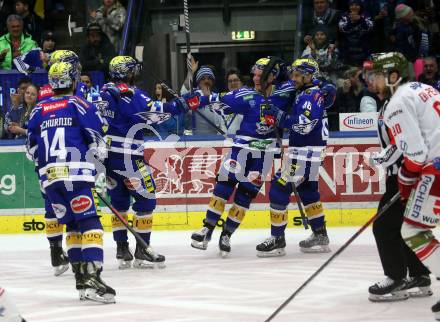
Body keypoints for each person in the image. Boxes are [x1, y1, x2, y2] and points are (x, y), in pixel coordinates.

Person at [26, 61, 115, 303]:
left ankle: (80, 279)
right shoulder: (79, 104)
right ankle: (94, 276)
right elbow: (97, 140)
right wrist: (96, 167)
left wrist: (47, 170)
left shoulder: (38, 109)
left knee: (73, 226)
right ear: (73, 80)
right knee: (90, 223)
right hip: (75, 175)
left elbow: (30, 149)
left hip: (50, 179)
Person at [190, 57, 296, 257]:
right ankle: (207, 229)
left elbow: (305, 79)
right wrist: (192, 98)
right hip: (240, 151)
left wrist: (323, 88)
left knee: (245, 196)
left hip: (264, 157)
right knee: (222, 188)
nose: (256, 78)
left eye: (261, 74)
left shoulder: (285, 91)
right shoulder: (244, 94)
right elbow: (213, 98)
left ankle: (227, 235)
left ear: (273, 76)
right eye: (254, 74)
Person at [99, 55, 197, 269]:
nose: (137, 72)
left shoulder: (103, 91)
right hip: (129, 158)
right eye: (133, 69)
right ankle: (143, 250)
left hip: (108, 159)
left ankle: (122, 249)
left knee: (120, 203)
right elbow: (160, 110)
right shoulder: (130, 94)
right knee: (146, 201)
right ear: (127, 72)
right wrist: (185, 102)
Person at [368, 52, 440, 320]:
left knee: (394, 227)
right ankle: (420, 276)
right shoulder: (422, 89)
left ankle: (397, 278)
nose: (371, 81)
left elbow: (413, 151)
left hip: (425, 168)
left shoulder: (397, 103)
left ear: (392, 76)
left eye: (375, 75)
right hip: (428, 166)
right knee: (410, 227)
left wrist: (405, 180)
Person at [256, 58, 334, 256]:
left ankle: (277, 238)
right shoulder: (311, 91)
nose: (294, 78)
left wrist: (279, 117)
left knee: (278, 188)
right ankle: (320, 234)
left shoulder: (309, 94)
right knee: (307, 191)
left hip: (305, 154)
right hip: (311, 153)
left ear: (309, 76)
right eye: (294, 74)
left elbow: (304, 124)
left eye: (299, 75)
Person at [338, 0, 374, 67]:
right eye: (351, 5)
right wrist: (351, 22)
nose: (354, 7)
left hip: (365, 51)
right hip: (348, 51)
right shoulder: (344, 16)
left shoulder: (366, 15)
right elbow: (342, 29)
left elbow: (369, 28)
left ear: (360, 6)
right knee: (349, 73)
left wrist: (360, 19)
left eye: (357, 5)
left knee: (366, 72)